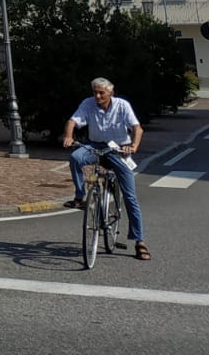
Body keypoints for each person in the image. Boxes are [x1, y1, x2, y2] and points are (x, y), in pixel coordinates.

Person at [61, 76, 150, 261]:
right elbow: (72, 121)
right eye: (95, 92)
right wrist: (69, 136)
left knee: (130, 197)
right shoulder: (88, 103)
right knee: (76, 158)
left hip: (118, 149)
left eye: (102, 92)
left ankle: (139, 242)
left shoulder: (122, 105)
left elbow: (137, 128)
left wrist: (133, 146)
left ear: (111, 92)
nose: (98, 96)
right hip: (96, 146)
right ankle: (80, 196)